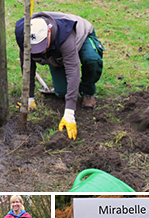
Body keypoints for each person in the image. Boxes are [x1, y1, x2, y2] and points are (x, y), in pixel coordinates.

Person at [14, 11, 104, 139]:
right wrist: (29, 97)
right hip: (57, 54)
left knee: (92, 60)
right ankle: (62, 63)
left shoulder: (64, 35)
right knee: (62, 93)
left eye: (42, 46)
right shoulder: (23, 34)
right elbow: (28, 66)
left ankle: (88, 91)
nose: (41, 51)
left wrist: (69, 113)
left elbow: (73, 71)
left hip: (81, 37)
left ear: (49, 33)